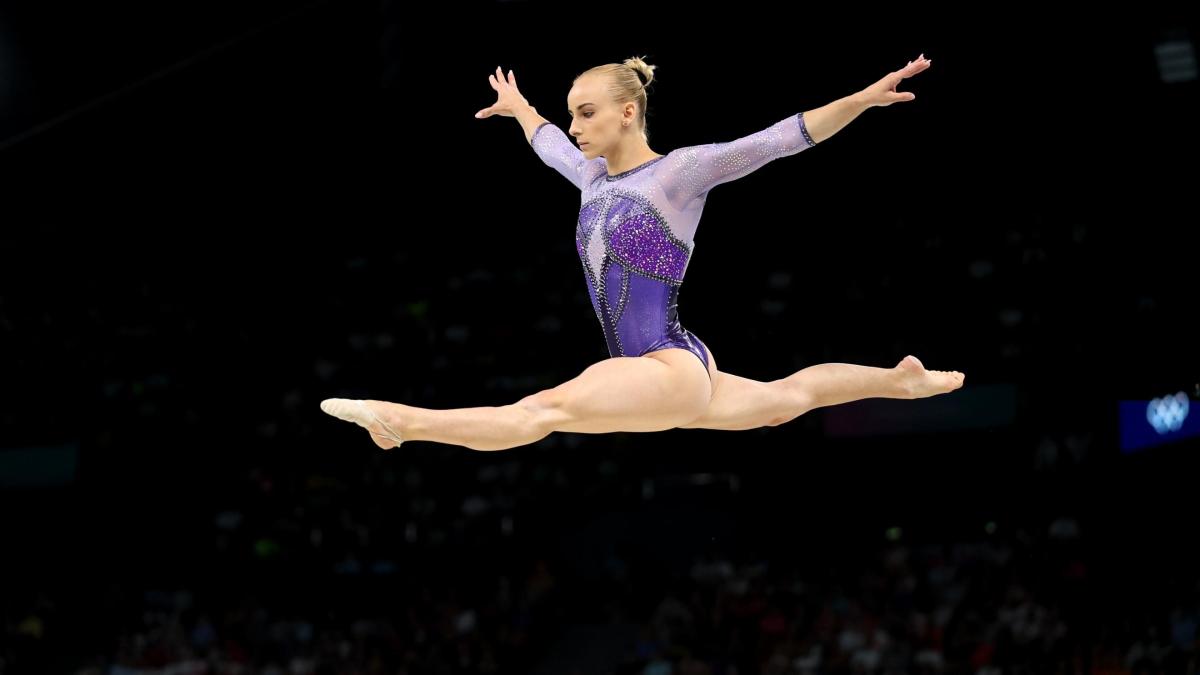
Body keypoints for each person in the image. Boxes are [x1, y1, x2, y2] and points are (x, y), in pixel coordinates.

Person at [321, 54, 962, 452]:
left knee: (543, 411)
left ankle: (402, 422)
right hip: (673, 363)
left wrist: (860, 99)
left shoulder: (676, 175)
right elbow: (550, 146)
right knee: (782, 402)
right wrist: (522, 110)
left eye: (587, 112)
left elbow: (774, 142)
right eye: (572, 114)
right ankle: (898, 382)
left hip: (667, 366)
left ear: (628, 112)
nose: (576, 126)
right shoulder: (593, 177)